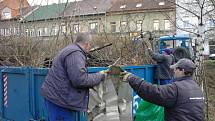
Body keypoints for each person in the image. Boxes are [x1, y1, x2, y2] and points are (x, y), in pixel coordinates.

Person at [40, 32, 107, 121]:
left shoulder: (71, 49)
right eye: (90, 44)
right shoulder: (75, 54)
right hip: (59, 101)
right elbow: (80, 80)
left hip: (57, 98)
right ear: (87, 44)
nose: (90, 47)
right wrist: (100, 75)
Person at [122, 58, 204, 121]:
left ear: (182, 70)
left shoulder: (176, 88)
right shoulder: (197, 87)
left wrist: (131, 78)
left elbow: (152, 92)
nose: (174, 71)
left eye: (175, 69)